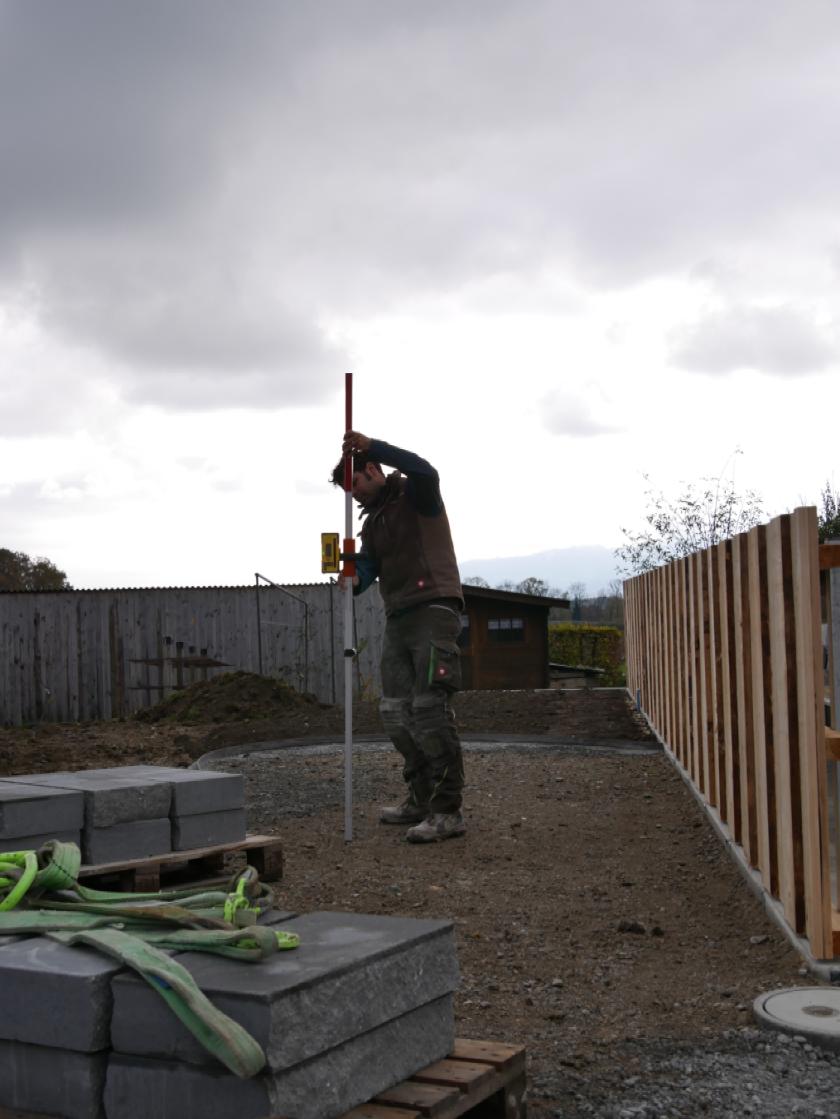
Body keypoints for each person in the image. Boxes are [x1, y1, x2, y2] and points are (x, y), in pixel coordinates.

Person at [331, 431, 466, 842]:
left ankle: (447, 812)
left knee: (429, 709)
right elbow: (368, 573)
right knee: (395, 712)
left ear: (373, 469)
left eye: (357, 484)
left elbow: (425, 467)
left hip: (434, 608)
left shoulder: (417, 493)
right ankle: (421, 798)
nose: (355, 496)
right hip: (399, 616)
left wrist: (373, 445)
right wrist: (350, 578)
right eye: (348, 491)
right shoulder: (372, 523)